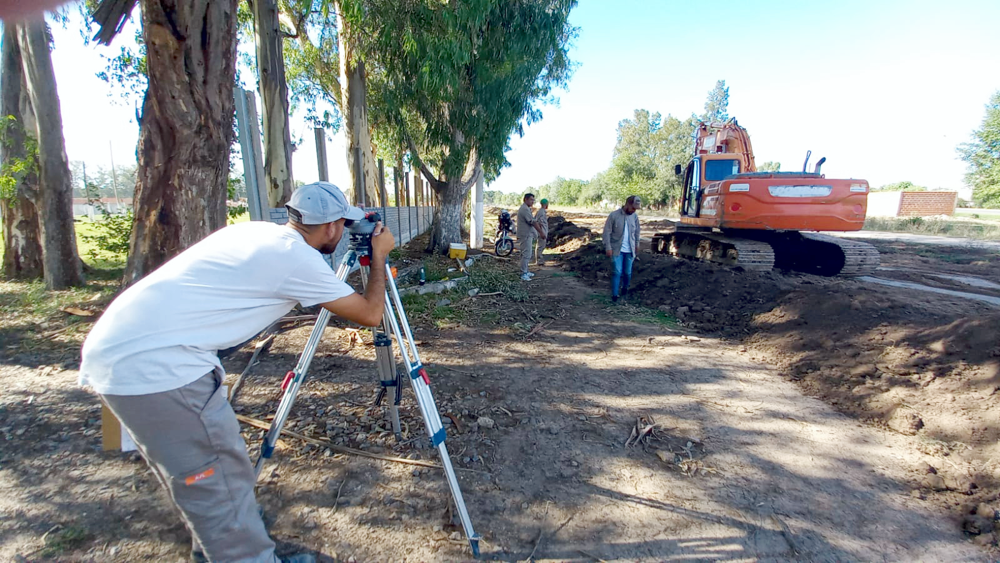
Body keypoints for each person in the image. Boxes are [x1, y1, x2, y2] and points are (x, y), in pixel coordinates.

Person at [80, 182, 395, 563]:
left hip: (121, 352)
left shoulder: (253, 231)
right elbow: (371, 314)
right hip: (159, 368)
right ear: (330, 227)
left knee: (205, 478)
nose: (344, 232)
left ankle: (221, 545)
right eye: (343, 224)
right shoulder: (298, 259)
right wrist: (379, 258)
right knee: (214, 480)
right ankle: (245, 553)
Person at [603, 195, 642, 302]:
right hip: (616, 250)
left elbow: (637, 232)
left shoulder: (634, 217)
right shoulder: (614, 215)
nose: (634, 210)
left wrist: (637, 244)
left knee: (627, 273)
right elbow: (607, 232)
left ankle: (625, 289)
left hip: (630, 251)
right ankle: (615, 296)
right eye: (633, 208)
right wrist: (608, 247)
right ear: (627, 204)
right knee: (617, 272)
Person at [516, 193, 544, 281]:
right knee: (526, 255)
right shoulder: (524, 209)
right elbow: (532, 222)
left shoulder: (527, 208)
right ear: (525, 199)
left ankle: (526, 271)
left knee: (527, 254)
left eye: (533, 200)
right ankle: (523, 273)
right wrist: (541, 232)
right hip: (525, 235)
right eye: (531, 200)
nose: (533, 202)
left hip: (528, 235)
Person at [534, 199, 550, 265]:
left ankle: (539, 260)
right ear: (545, 204)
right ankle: (539, 261)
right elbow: (537, 222)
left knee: (541, 246)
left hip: (543, 231)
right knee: (540, 246)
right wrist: (541, 232)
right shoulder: (541, 212)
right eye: (547, 204)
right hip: (542, 232)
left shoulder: (542, 212)